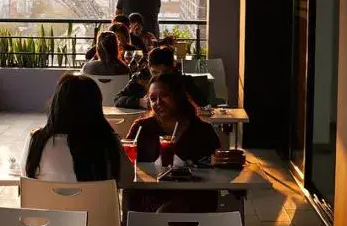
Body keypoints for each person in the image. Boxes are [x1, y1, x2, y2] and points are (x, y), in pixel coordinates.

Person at [125, 72, 221, 212]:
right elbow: (125, 163)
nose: (158, 102)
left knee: (171, 209)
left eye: (164, 96)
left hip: (192, 197)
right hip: (150, 195)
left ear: (178, 96)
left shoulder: (201, 130)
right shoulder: (142, 128)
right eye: (153, 99)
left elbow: (216, 169)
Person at [22, 74, 126, 182]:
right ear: (96, 108)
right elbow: (127, 179)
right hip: (97, 194)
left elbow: (26, 177)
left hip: (45, 194)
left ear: (56, 104)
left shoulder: (36, 142)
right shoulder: (110, 144)